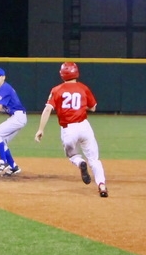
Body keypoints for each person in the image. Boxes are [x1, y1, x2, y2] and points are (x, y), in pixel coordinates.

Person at [34, 62, 108, 197]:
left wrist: (40, 129)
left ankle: (80, 163)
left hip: (68, 129)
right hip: (85, 127)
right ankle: (102, 185)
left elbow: (48, 109)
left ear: (62, 74)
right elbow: (93, 108)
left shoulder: (57, 90)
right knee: (94, 159)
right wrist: (79, 106)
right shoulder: (83, 88)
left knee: (72, 155)